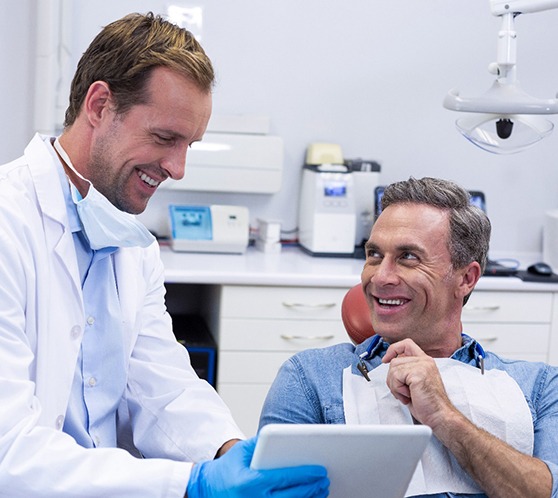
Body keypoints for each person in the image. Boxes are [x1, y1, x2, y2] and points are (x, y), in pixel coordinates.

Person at [0, 12, 329, 498]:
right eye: (164, 138)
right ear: (99, 105)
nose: (177, 168)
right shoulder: (9, 224)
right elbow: (10, 455)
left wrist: (229, 451)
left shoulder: (134, 247)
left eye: (189, 145)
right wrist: (191, 483)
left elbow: (162, 384)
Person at [259, 176, 558, 498]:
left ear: (466, 278)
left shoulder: (539, 386)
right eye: (374, 255)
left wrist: (444, 416)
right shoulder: (312, 378)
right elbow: (270, 492)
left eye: (409, 257)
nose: (381, 276)